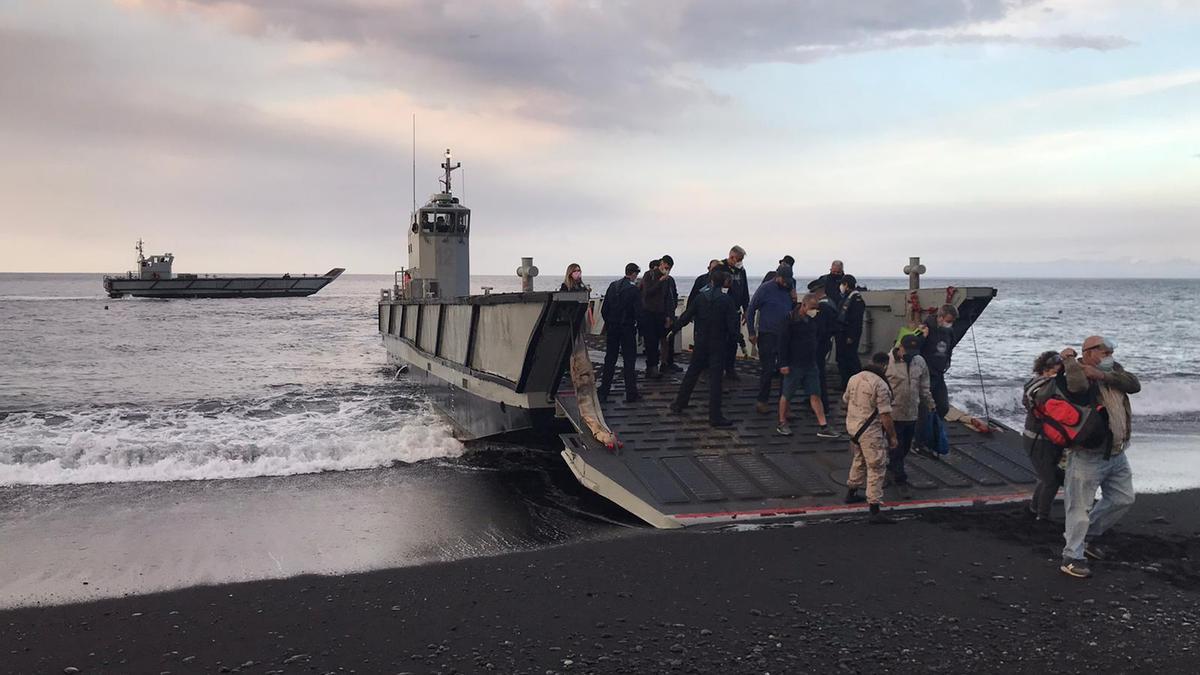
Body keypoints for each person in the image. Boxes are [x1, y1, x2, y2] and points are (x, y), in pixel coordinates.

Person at [1059, 336, 1141, 579]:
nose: (1110, 355)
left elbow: (1134, 384)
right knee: (1079, 507)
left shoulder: (1112, 371)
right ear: (1090, 352)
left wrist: (1102, 375)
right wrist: (1070, 362)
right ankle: (1072, 555)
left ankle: (1087, 537)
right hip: (1088, 455)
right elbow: (1075, 388)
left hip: (1117, 452)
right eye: (1105, 352)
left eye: (1111, 351)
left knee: (1123, 499)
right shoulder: (1076, 370)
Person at [670, 269, 738, 427]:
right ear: (723, 283)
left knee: (692, 373)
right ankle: (715, 416)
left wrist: (674, 329)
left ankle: (679, 404)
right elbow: (732, 327)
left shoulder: (701, 298)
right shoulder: (726, 301)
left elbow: (687, 316)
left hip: (701, 342)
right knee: (716, 380)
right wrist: (733, 340)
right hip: (718, 344)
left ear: (711, 281)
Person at [844, 352, 899, 524]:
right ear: (884, 366)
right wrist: (893, 437)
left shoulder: (854, 378)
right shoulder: (880, 385)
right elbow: (885, 416)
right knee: (877, 466)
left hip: (853, 427)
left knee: (859, 459)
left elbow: (845, 399)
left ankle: (851, 493)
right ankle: (874, 509)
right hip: (870, 432)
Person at [776, 293, 841, 438]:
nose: (815, 311)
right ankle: (782, 422)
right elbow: (782, 343)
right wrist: (783, 363)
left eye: (816, 308)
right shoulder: (790, 320)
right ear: (803, 305)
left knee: (815, 394)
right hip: (794, 363)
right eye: (812, 308)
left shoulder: (813, 320)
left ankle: (823, 425)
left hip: (810, 363)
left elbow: (819, 336)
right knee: (787, 394)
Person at [885, 333, 934, 499]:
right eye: (909, 350)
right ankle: (900, 480)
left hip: (912, 413)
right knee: (896, 446)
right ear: (901, 347)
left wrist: (930, 404)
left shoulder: (919, 361)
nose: (912, 354)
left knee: (905, 446)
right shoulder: (887, 361)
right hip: (893, 413)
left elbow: (924, 385)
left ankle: (893, 466)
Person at [1022, 350, 1067, 525]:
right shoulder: (1041, 386)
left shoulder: (1035, 384)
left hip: (1047, 439)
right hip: (1037, 439)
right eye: (1056, 369)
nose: (1058, 373)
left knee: (1047, 477)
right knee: (1051, 480)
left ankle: (1034, 509)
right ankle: (1043, 516)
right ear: (1045, 369)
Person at [747, 264, 796, 414]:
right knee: (767, 370)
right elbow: (751, 309)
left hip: (785, 335)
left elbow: (792, 310)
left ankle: (785, 404)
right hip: (767, 333)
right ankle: (762, 401)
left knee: (785, 371)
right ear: (777, 276)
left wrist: (794, 299)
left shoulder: (789, 287)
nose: (786, 282)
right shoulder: (765, 289)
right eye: (784, 279)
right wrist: (751, 332)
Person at [598, 263, 641, 403]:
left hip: (613, 328)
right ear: (634, 274)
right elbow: (638, 312)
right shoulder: (634, 290)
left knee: (610, 359)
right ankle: (631, 393)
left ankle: (604, 391)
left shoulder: (613, 286)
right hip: (627, 328)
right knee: (629, 360)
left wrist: (610, 323)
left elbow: (604, 310)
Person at [714, 246, 749, 379]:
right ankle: (717, 369)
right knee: (720, 341)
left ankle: (730, 369)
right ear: (732, 257)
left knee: (733, 340)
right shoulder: (719, 268)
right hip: (721, 312)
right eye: (739, 259)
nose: (740, 262)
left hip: (735, 311)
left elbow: (744, 290)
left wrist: (746, 310)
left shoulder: (741, 271)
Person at [919, 304, 958, 418]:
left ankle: (936, 425)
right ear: (940, 317)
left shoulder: (949, 331)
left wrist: (947, 363)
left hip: (939, 373)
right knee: (924, 407)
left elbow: (950, 347)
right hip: (926, 373)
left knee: (943, 406)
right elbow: (915, 348)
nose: (950, 323)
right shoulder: (926, 327)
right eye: (948, 320)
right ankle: (924, 431)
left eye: (952, 321)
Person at [639, 255, 674, 379]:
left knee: (662, 340)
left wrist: (669, 315)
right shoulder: (649, 275)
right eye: (666, 267)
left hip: (661, 314)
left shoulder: (668, 280)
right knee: (651, 342)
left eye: (669, 268)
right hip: (648, 313)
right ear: (661, 263)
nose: (667, 270)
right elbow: (647, 293)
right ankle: (652, 367)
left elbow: (669, 298)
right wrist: (660, 281)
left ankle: (659, 365)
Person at [807, 280, 839, 413]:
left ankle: (821, 405)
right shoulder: (830, 303)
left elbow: (819, 329)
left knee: (817, 375)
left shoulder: (823, 307)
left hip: (819, 345)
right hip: (825, 343)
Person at [835, 273, 865, 388]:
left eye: (842, 284)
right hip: (841, 332)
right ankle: (845, 383)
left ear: (846, 285)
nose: (841, 287)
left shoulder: (856, 300)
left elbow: (856, 320)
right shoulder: (846, 298)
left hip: (848, 334)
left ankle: (858, 383)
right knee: (842, 358)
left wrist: (851, 336)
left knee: (851, 359)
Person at [660, 267, 681, 373]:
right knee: (664, 340)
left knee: (670, 339)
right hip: (663, 315)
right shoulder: (660, 281)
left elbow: (674, 295)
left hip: (671, 313)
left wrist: (673, 308)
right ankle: (663, 364)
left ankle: (670, 362)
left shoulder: (671, 280)